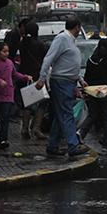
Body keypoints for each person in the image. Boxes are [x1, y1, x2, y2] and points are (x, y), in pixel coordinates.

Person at [35, 16, 90, 157]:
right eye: (79, 28)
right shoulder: (62, 39)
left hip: (69, 82)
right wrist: (42, 78)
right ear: (77, 27)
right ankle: (73, 145)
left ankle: (53, 145)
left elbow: (69, 63)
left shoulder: (71, 40)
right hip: (61, 82)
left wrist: (80, 80)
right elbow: (49, 58)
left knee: (60, 115)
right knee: (67, 114)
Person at [0, 43, 32, 149]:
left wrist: (25, 77)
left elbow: (15, 74)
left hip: (7, 94)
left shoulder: (10, 63)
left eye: (7, 51)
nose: (6, 54)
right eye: (4, 51)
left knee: (5, 117)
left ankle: (3, 139)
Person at [79, 39, 107, 154]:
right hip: (105, 91)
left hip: (93, 90)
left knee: (93, 114)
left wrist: (86, 91)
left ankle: (81, 133)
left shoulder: (91, 59)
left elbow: (87, 76)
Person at [18, 21, 48, 139]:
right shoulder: (40, 44)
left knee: (27, 103)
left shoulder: (22, 43)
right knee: (42, 103)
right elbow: (45, 60)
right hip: (37, 76)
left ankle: (24, 128)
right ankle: (36, 127)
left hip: (24, 76)